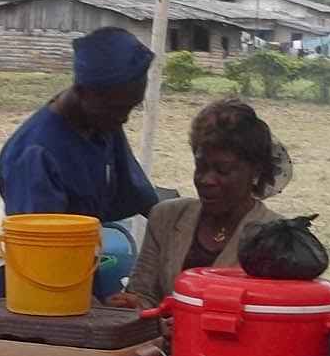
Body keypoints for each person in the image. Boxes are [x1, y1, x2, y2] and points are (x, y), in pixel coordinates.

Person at [0, 27, 160, 303]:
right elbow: (41, 252)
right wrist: (93, 307)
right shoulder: (35, 153)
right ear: (82, 91)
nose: (125, 118)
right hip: (18, 279)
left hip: (71, 266)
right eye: (118, 108)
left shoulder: (103, 124)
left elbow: (138, 194)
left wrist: (182, 227)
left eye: (132, 107)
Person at [107, 98, 289, 310]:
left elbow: (272, 321)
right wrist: (136, 307)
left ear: (255, 171)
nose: (206, 180)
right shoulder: (166, 217)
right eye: (201, 167)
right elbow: (144, 294)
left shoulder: (277, 239)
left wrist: (188, 325)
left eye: (223, 170)